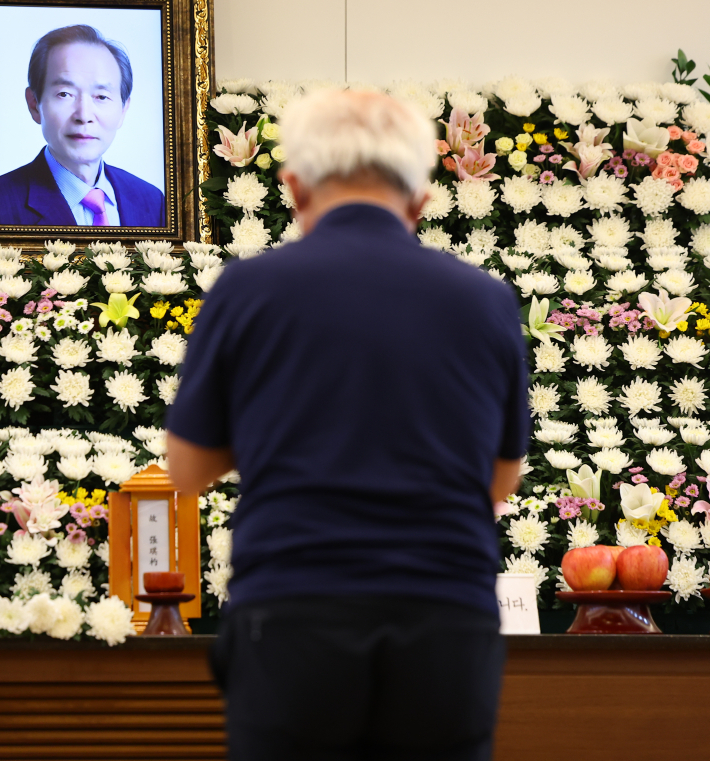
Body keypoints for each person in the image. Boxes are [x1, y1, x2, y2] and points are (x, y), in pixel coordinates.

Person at [166, 89, 530, 761]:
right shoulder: (485, 300)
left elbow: (187, 470)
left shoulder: (248, 291)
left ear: (295, 187)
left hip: (293, 609)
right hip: (446, 615)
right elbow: (499, 479)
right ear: (420, 200)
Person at [0, 24, 165, 227]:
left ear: (123, 109)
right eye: (65, 94)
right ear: (34, 104)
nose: (84, 116)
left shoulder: (152, 202)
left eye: (101, 96)